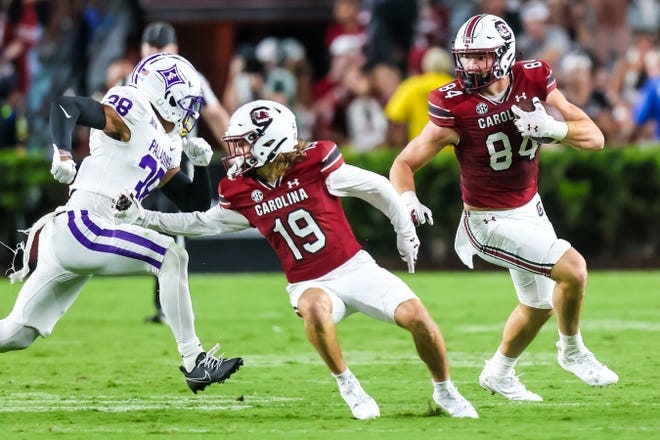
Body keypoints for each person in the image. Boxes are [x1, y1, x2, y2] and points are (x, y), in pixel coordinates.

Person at [113, 99, 478, 420]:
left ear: (270, 142)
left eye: (244, 144)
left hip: (355, 268)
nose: (236, 153)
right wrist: (143, 217)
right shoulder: (243, 190)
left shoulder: (316, 164)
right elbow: (200, 223)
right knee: (316, 309)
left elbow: (378, 187)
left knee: (417, 316)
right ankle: (349, 386)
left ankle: (445, 390)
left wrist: (404, 231)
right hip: (308, 282)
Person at [389, 14, 618, 401]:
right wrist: (407, 199)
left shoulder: (533, 79)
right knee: (574, 270)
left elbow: (594, 138)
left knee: (540, 306)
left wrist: (554, 129)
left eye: (480, 57)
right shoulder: (454, 104)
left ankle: (499, 373)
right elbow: (403, 164)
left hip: (531, 207)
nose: (470, 66)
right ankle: (573, 350)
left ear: (505, 54)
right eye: (465, 57)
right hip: (487, 220)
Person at [0, 52, 243, 394]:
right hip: (84, 224)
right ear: (163, 93)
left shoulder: (168, 142)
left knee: (17, 333)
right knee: (171, 256)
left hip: (85, 233)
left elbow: (193, 205)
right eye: (184, 100)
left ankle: (195, 362)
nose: (189, 111)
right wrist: (64, 152)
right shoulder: (133, 109)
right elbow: (67, 106)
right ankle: (194, 361)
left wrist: (201, 166)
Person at [138, 21, 231, 324]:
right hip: (143, 164)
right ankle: (164, 302)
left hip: (173, 163)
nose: (154, 52)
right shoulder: (136, 75)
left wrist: (236, 150)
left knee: (173, 231)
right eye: (150, 47)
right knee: (152, 231)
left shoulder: (185, 74)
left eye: (160, 47)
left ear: (174, 48)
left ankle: (170, 305)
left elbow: (215, 114)